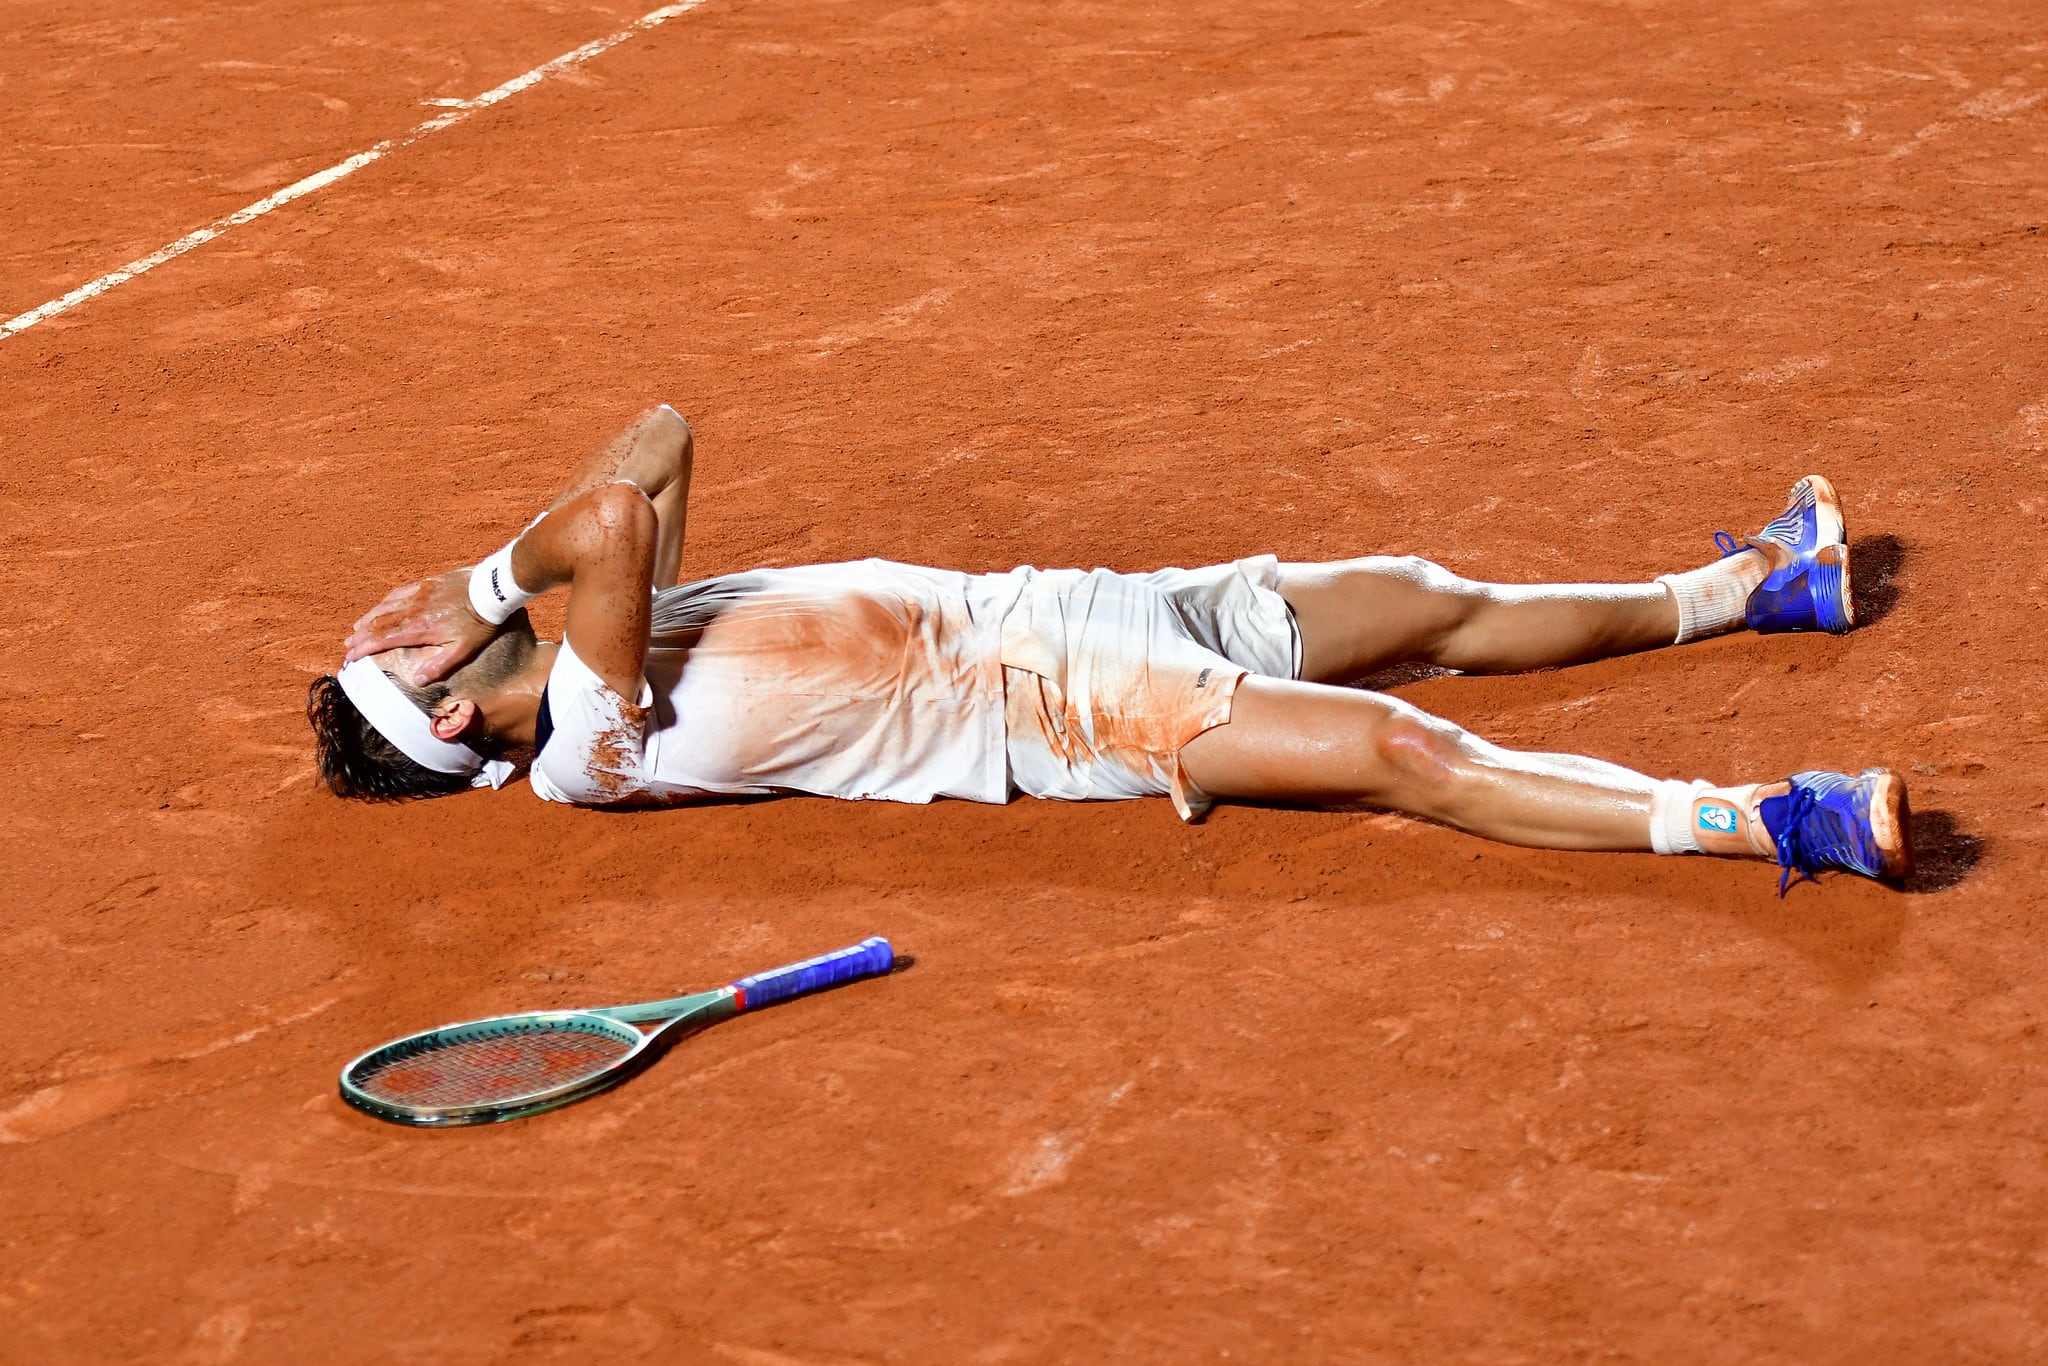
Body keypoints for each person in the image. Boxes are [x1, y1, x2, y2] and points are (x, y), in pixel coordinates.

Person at [314, 405, 1910, 894]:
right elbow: (607, 517)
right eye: (424, 651)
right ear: (454, 714)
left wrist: (490, 582)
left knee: (1432, 603)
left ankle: (1756, 591)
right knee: (1402, 754)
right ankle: (1777, 821)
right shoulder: (585, 742)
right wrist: (481, 575)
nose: (436, 626)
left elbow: (660, 436)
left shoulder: (609, 631)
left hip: (1083, 602)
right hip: (1070, 709)